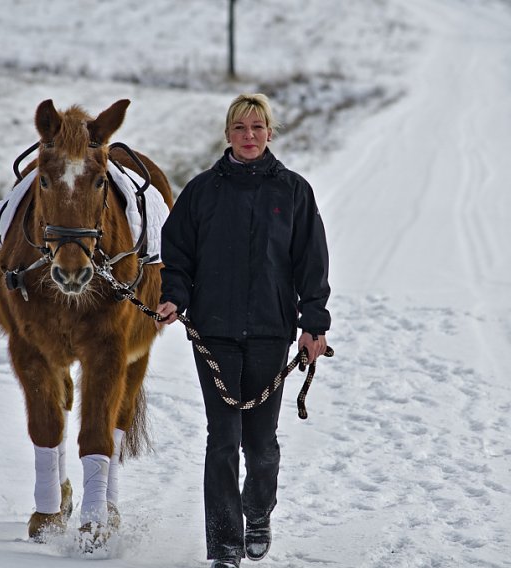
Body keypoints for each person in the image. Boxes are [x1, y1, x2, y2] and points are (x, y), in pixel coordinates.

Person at [156, 93, 331, 567]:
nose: (249, 136)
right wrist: (175, 295)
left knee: (261, 443)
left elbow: (311, 264)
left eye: (257, 128)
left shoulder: (294, 192)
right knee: (222, 437)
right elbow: (177, 256)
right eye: (240, 129)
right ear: (227, 135)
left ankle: (257, 513)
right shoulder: (201, 192)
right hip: (214, 331)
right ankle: (225, 547)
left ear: (270, 133)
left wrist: (312, 325)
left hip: (272, 331)